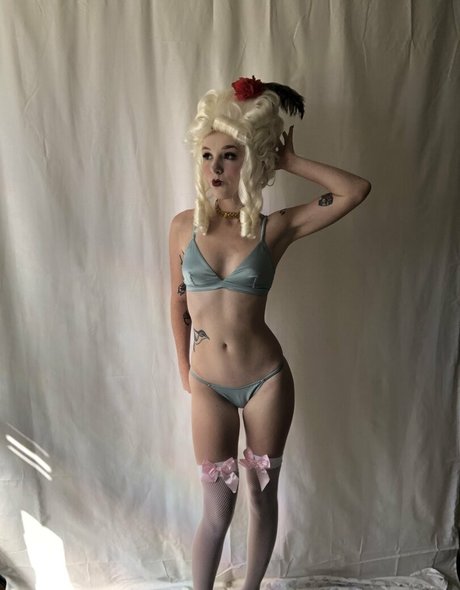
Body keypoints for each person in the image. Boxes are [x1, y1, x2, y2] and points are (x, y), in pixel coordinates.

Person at [169, 76, 371, 590]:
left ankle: (252, 588)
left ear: (251, 161)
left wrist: (290, 161)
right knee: (217, 509)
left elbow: (355, 191)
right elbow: (177, 304)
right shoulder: (183, 226)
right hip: (208, 385)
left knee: (261, 497)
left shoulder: (273, 228)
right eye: (207, 155)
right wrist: (184, 369)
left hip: (267, 381)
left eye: (229, 155)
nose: (215, 168)